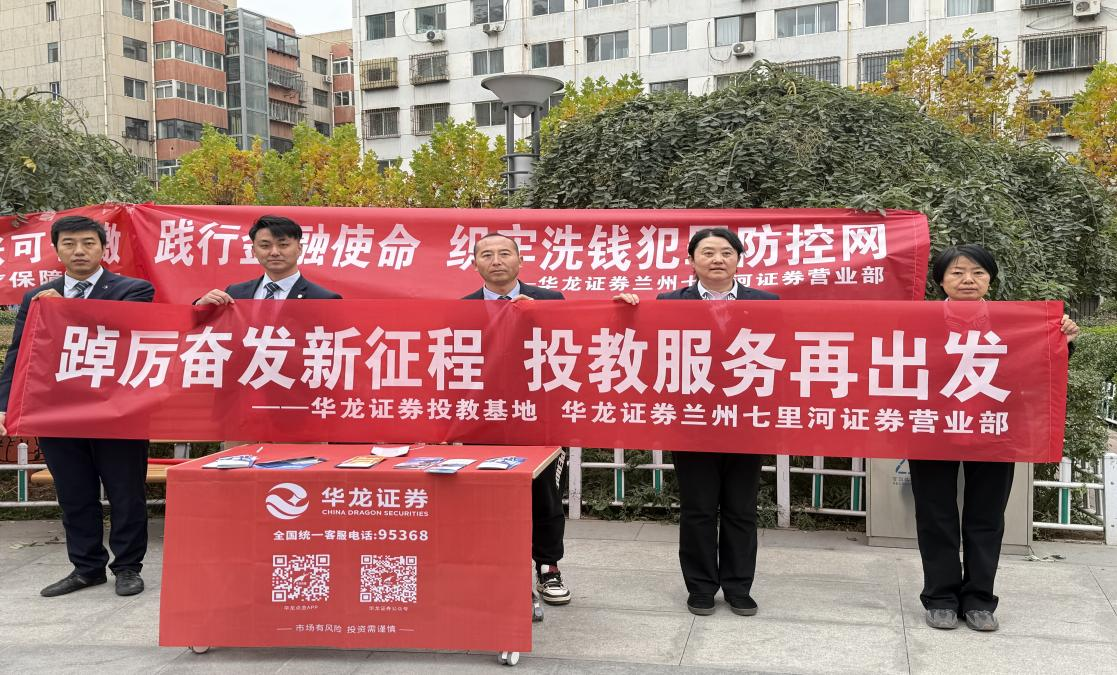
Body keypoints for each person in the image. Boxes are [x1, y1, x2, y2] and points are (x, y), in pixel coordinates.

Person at [912, 244, 1079, 632]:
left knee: (986, 516)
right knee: (935, 515)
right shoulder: (920, 320)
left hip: (995, 427)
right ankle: (940, 598)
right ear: (940, 281)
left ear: (990, 280)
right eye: (957, 273)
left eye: (978, 273)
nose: (968, 280)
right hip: (931, 427)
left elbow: (1038, 366)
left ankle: (979, 600)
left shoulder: (1014, 322)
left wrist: (1062, 341)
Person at [616, 227, 778, 616]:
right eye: (707, 252)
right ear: (691, 260)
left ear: (739, 259)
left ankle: (738, 587)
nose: (717, 259)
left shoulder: (767, 303)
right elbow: (645, 346)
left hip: (746, 421)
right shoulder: (669, 302)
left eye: (726, 252)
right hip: (691, 421)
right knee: (698, 509)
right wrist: (626, 310)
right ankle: (701, 587)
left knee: (741, 509)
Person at [0, 215, 155, 597]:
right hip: (57, 411)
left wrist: (65, 309)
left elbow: (121, 333)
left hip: (117, 411)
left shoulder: (134, 289)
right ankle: (86, 567)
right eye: (69, 243)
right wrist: (5, 405)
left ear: (103, 248)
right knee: (74, 493)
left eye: (88, 242)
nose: (79, 251)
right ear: (57, 250)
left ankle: (128, 567)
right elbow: (20, 353)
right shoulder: (37, 296)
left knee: (126, 493)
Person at [463, 233, 570, 606]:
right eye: (487, 255)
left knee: (545, 496)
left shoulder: (550, 300)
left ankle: (548, 567)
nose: (496, 260)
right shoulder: (462, 309)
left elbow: (573, 346)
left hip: (540, 417)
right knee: (489, 496)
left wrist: (537, 317)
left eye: (504, 253)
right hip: (484, 419)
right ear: (475, 264)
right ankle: (499, 570)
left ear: (520, 261)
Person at [194, 214, 341, 305]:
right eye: (265, 246)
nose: (274, 252)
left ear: (299, 248)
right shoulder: (235, 293)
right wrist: (201, 307)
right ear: (254, 251)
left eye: (283, 245)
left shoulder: (324, 299)